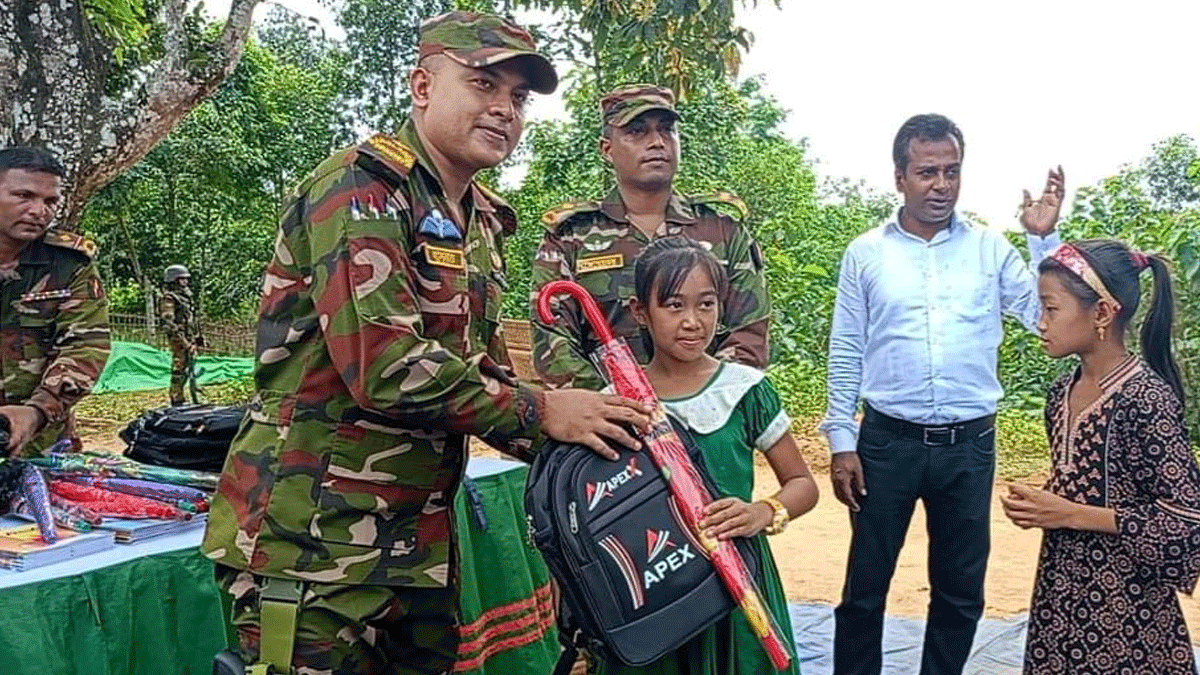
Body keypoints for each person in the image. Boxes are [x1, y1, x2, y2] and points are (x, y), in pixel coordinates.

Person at [200, 12, 650, 675]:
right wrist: (545, 411)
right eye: (483, 84)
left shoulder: (483, 218)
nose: (503, 109)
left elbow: (480, 371)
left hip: (419, 546)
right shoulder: (362, 189)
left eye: (518, 98)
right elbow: (385, 367)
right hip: (313, 542)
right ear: (422, 86)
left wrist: (599, 434)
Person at [821, 113, 1065, 675]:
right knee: (864, 590)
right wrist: (841, 439)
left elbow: (1042, 316)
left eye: (952, 171)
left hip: (969, 448)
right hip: (886, 444)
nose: (942, 185)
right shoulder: (866, 254)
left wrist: (1041, 239)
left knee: (960, 592)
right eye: (927, 172)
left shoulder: (990, 249)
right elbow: (847, 348)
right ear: (900, 177)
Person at [591, 236, 818, 675]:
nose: (693, 321)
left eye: (706, 304)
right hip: (654, 592)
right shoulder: (617, 404)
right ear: (641, 312)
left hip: (739, 586)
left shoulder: (745, 390)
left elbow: (803, 485)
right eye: (674, 306)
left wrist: (762, 512)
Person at [1000, 240, 1200, 674]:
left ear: (1103, 314)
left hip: (1129, 615)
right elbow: (1084, 481)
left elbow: (1185, 518)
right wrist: (1043, 506)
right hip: (1062, 597)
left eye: (1051, 309)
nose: (1040, 323)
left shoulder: (1146, 399)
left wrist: (1071, 514)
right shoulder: (1061, 393)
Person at [530, 84, 770, 390]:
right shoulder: (571, 237)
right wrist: (624, 403)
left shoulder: (723, 230)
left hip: (713, 416)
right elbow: (554, 345)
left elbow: (750, 332)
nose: (657, 142)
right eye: (637, 131)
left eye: (667, 130)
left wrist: (700, 398)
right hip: (608, 419)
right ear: (607, 149)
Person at [0, 146, 110, 458]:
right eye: (24, 196)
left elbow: (86, 346)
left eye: (51, 201)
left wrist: (36, 411)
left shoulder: (68, 264)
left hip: (41, 445)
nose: (39, 211)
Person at [159, 264, 203, 405]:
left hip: (188, 335)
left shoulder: (185, 296)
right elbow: (168, 322)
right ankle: (176, 399)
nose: (185, 282)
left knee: (187, 368)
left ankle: (188, 394)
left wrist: (197, 337)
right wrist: (184, 342)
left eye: (186, 279)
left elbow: (192, 318)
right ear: (174, 280)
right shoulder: (169, 298)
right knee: (179, 368)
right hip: (178, 338)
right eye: (182, 279)